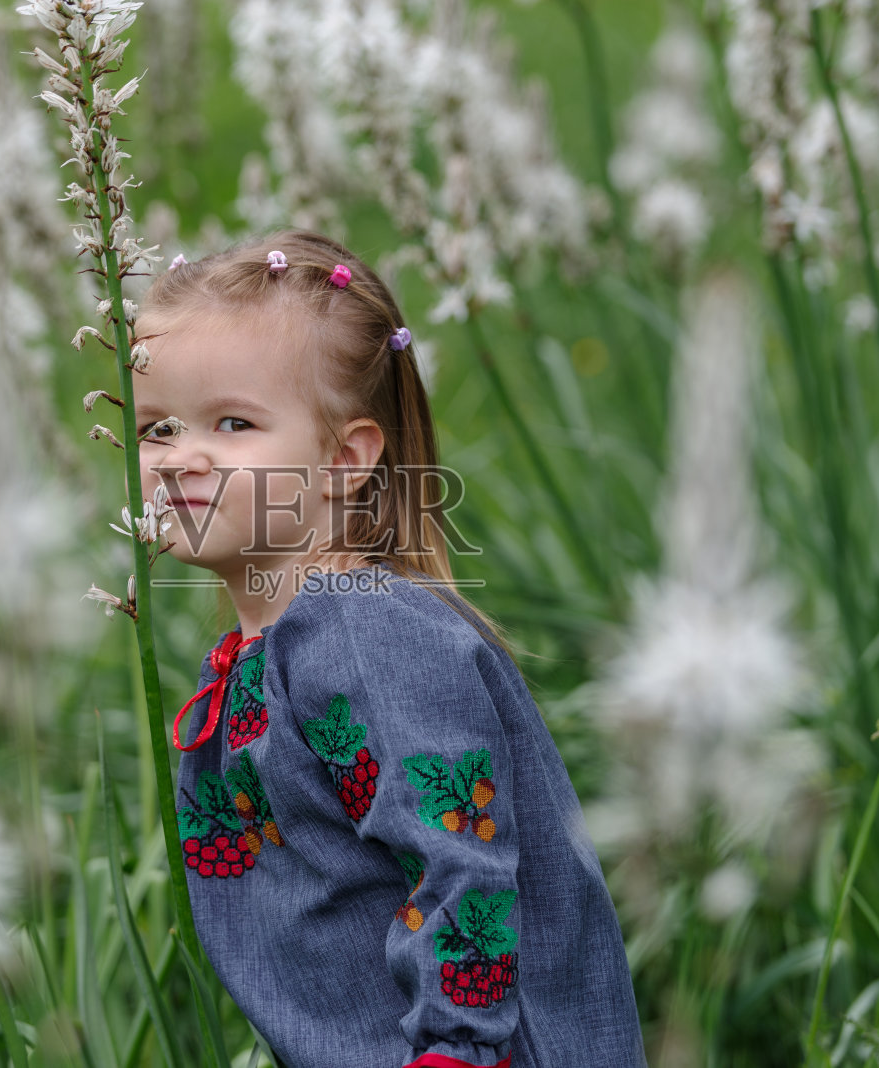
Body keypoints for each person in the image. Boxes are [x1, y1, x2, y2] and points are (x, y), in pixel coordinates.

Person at [131, 230, 645, 1068]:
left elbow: (462, 865)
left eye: (233, 422)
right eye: (156, 429)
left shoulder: (368, 634)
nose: (180, 458)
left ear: (344, 459)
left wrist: (454, 1052)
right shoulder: (272, 647)